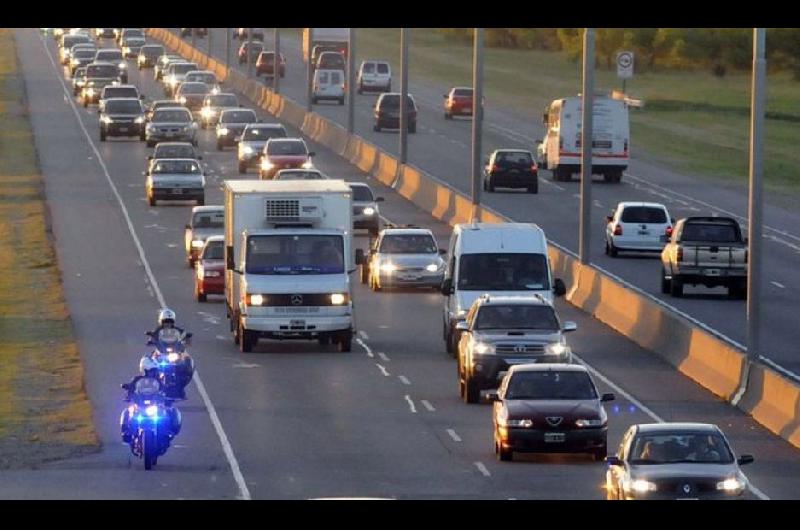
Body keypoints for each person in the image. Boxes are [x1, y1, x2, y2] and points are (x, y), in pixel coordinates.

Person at [120, 357, 181, 444]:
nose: (152, 373)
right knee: (128, 412)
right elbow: (131, 388)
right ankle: (127, 433)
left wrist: (170, 395)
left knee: (169, 412)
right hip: (141, 404)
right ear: (144, 369)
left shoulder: (159, 381)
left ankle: (169, 431)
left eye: (154, 370)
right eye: (151, 371)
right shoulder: (137, 380)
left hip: (155, 404)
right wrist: (128, 394)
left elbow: (165, 389)